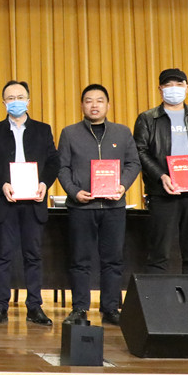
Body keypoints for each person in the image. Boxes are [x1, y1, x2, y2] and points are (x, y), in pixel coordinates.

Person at [57, 84, 140, 326]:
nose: (94, 105)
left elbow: (133, 163)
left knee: (113, 260)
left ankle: (111, 308)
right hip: (81, 207)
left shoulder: (122, 133)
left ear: (108, 105)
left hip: (114, 207)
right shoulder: (69, 133)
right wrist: (74, 192)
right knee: (80, 260)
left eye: (99, 100)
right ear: (82, 105)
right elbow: (62, 167)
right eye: (89, 101)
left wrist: (122, 186)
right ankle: (80, 308)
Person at [0, 80, 60, 326]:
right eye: (10, 98)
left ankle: (35, 307)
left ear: (28, 100)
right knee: (2, 256)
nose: (15, 101)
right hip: (5, 200)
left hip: (34, 201)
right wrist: (1, 184)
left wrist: (45, 183)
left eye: (20, 97)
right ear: (3, 102)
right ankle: (0, 307)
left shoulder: (43, 130)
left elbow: (53, 162)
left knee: (33, 256)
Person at [134, 68, 188, 274]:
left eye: (179, 84)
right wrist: (161, 176)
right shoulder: (148, 118)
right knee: (158, 255)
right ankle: (158, 295)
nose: (174, 89)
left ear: (187, 88)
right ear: (160, 89)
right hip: (162, 194)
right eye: (168, 85)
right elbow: (140, 151)